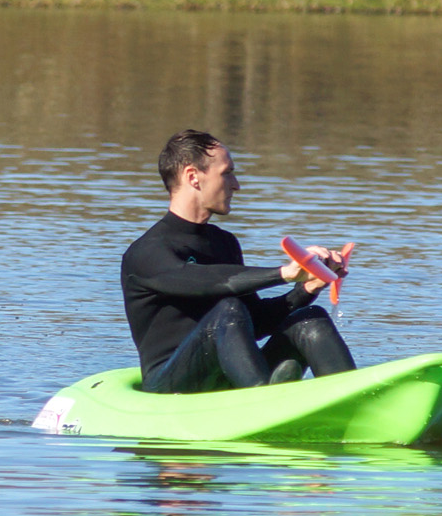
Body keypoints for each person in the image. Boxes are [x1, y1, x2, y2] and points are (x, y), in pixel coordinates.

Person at [121, 129, 358, 393]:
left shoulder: (224, 243)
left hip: (231, 379)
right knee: (228, 309)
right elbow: (202, 281)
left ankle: (354, 402)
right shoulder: (147, 252)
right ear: (193, 177)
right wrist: (285, 273)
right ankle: (263, 403)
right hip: (169, 387)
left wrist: (307, 287)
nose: (236, 184)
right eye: (227, 173)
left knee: (310, 318)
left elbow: (253, 324)